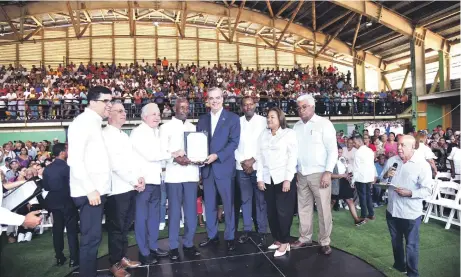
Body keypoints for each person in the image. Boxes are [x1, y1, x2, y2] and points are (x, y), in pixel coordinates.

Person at [67, 86, 112, 277]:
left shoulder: (93, 122)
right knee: (91, 239)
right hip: (89, 193)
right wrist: (90, 189)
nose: (109, 105)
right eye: (105, 101)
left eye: (111, 101)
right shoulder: (83, 122)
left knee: (93, 238)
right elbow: (74, 160)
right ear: (92, 102)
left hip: (94, 191)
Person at [130, 103, 183, 265]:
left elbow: (159, 155)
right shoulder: (137, 132)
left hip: (156, 180)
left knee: (154, 217)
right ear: (144, 116)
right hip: (142, 182)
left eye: (159, 114)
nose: (158, 117)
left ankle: (153, 247)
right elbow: (151, 155)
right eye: (154, 114)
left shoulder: (156, 132)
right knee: (141, 218)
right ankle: (144, 251)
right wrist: (173, 154)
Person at [381, 135, 432, 277]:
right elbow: (382, 179)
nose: (399, 148)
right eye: (398, 145)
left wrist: (410, 193)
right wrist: (385, 176)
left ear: (412, 146)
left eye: (403, 145)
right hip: (392, 210)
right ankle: (399, 265)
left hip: (410, 213)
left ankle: (412, 273)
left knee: (411, 245)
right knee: (395, 241)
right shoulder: (392, 161)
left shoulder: (422, 165)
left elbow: (428, 190)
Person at [292, 94, 337, 255]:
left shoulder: (324, 124)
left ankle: (324, 241)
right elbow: (293, 152)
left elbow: (333, 150)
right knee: (303, 208)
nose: (301, 110)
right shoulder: (296, 126)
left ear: (312, 106)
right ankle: (305, 237)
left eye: (304, 106)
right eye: (298, 107)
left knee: (324, 210)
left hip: (320, 174)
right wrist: (296, 171)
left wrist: (328, 172)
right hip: (302, 173)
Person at [196, 87, 240, 251]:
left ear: (223, 99)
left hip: (224, 168)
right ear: (207, 101)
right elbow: (198, 144)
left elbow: (233, 143)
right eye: (211, 98)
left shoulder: (233, 118)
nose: (214, 101)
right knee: (210, 205)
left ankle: (229, 236)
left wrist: (217, 156)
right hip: (207, 170)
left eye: (217, 98)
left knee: (228, 205)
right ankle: (212, 236)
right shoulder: (202, 119)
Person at [102, 102, 143, 277]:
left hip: (129, 187)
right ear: (109, 114)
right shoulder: (106, 135)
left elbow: (131, 161)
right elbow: (116, 165)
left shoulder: (123, 135)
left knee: (125, 228)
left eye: (124, 111)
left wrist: (139, 177)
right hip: (116, 190)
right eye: (119, 111)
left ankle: (123, 258)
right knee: (116, 229)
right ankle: (115, 263)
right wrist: (135, 181)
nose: (124, 114)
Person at [159, 98, 201, 260]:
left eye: (186, 107)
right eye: (181, 107)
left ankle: (189, 243)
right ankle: (174, 246)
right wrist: (175, 159)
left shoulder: (193, 128)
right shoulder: (165, 127)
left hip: (190, 174)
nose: (184, 109)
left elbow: (198, 150)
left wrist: (196, 159)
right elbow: (162, 151)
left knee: (191, 211)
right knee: (175, 212)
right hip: (173, 175)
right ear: (174, 108)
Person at [256, 107, 297, 257]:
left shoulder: (289, 134)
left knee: (283, 212)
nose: (269, 119)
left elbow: (292, 158)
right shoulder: (263, 135)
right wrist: (260, 178)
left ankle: (286, 243)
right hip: (268, 180)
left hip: (283, 179)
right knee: (271, 212)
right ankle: (278, 239)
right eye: (268, 117)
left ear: (280, 118)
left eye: (272, 117)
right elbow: (259, 158)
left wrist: (288, 179)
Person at [235, 96, 268, 246]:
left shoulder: (263, 121)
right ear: (242, 107)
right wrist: (243, 162)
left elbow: (265, 145)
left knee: (260, 201)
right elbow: (233, 144)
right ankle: (247, 231)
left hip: (258, 167)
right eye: (245, 105)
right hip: (241, 167)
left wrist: (252, 160)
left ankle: (262, 232)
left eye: (250, 104)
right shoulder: (237, 122)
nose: (248, 107)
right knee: (245, 200)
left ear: (255, 105)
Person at [41, 143, 79, 267]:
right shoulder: (68, 168)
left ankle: (59, 257)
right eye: (67, 150)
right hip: (68, 202)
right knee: (72, 231)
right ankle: (74, 259)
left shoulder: (47, 168)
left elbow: (45, 186)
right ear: (62, 152)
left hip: (54, 203)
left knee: (57, 231)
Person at [330, 147, 366, 226]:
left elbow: (345, 172)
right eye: (338, 152)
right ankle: (328, 219)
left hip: (344, 181)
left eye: (340, 152)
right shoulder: (331, 161)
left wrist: (348, 176)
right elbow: (329, 175)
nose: (339, 154)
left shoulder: (343, 160)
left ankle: (356, 219)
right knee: (333, 201)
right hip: (334, 183)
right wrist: (342, 175)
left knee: (350, 200)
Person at [352, 134, 377, 221]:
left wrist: (353, 181)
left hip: (360, 178)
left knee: (362, 196)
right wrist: (373, 175)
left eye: (354, 142)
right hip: (368, 177)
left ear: (359, 142)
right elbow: (372, 165)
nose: (353, 144)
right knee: (368, 196)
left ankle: (363, 215)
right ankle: (371, 214)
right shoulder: (370, 151)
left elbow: (356, 168)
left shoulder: (358, 152)